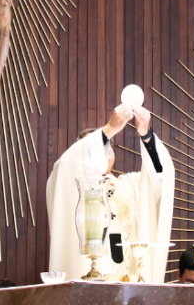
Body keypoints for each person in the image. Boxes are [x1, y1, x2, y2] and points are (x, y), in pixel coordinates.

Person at [46, 104, 175, 282]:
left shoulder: (131, 184)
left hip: (130, 283)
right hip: (87, 280)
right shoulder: (70, 182)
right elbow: (66, 164)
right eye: (98, 145)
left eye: (107, 145)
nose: (104, 152)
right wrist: (110, 129)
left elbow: (160, 174)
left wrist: (146, 135)